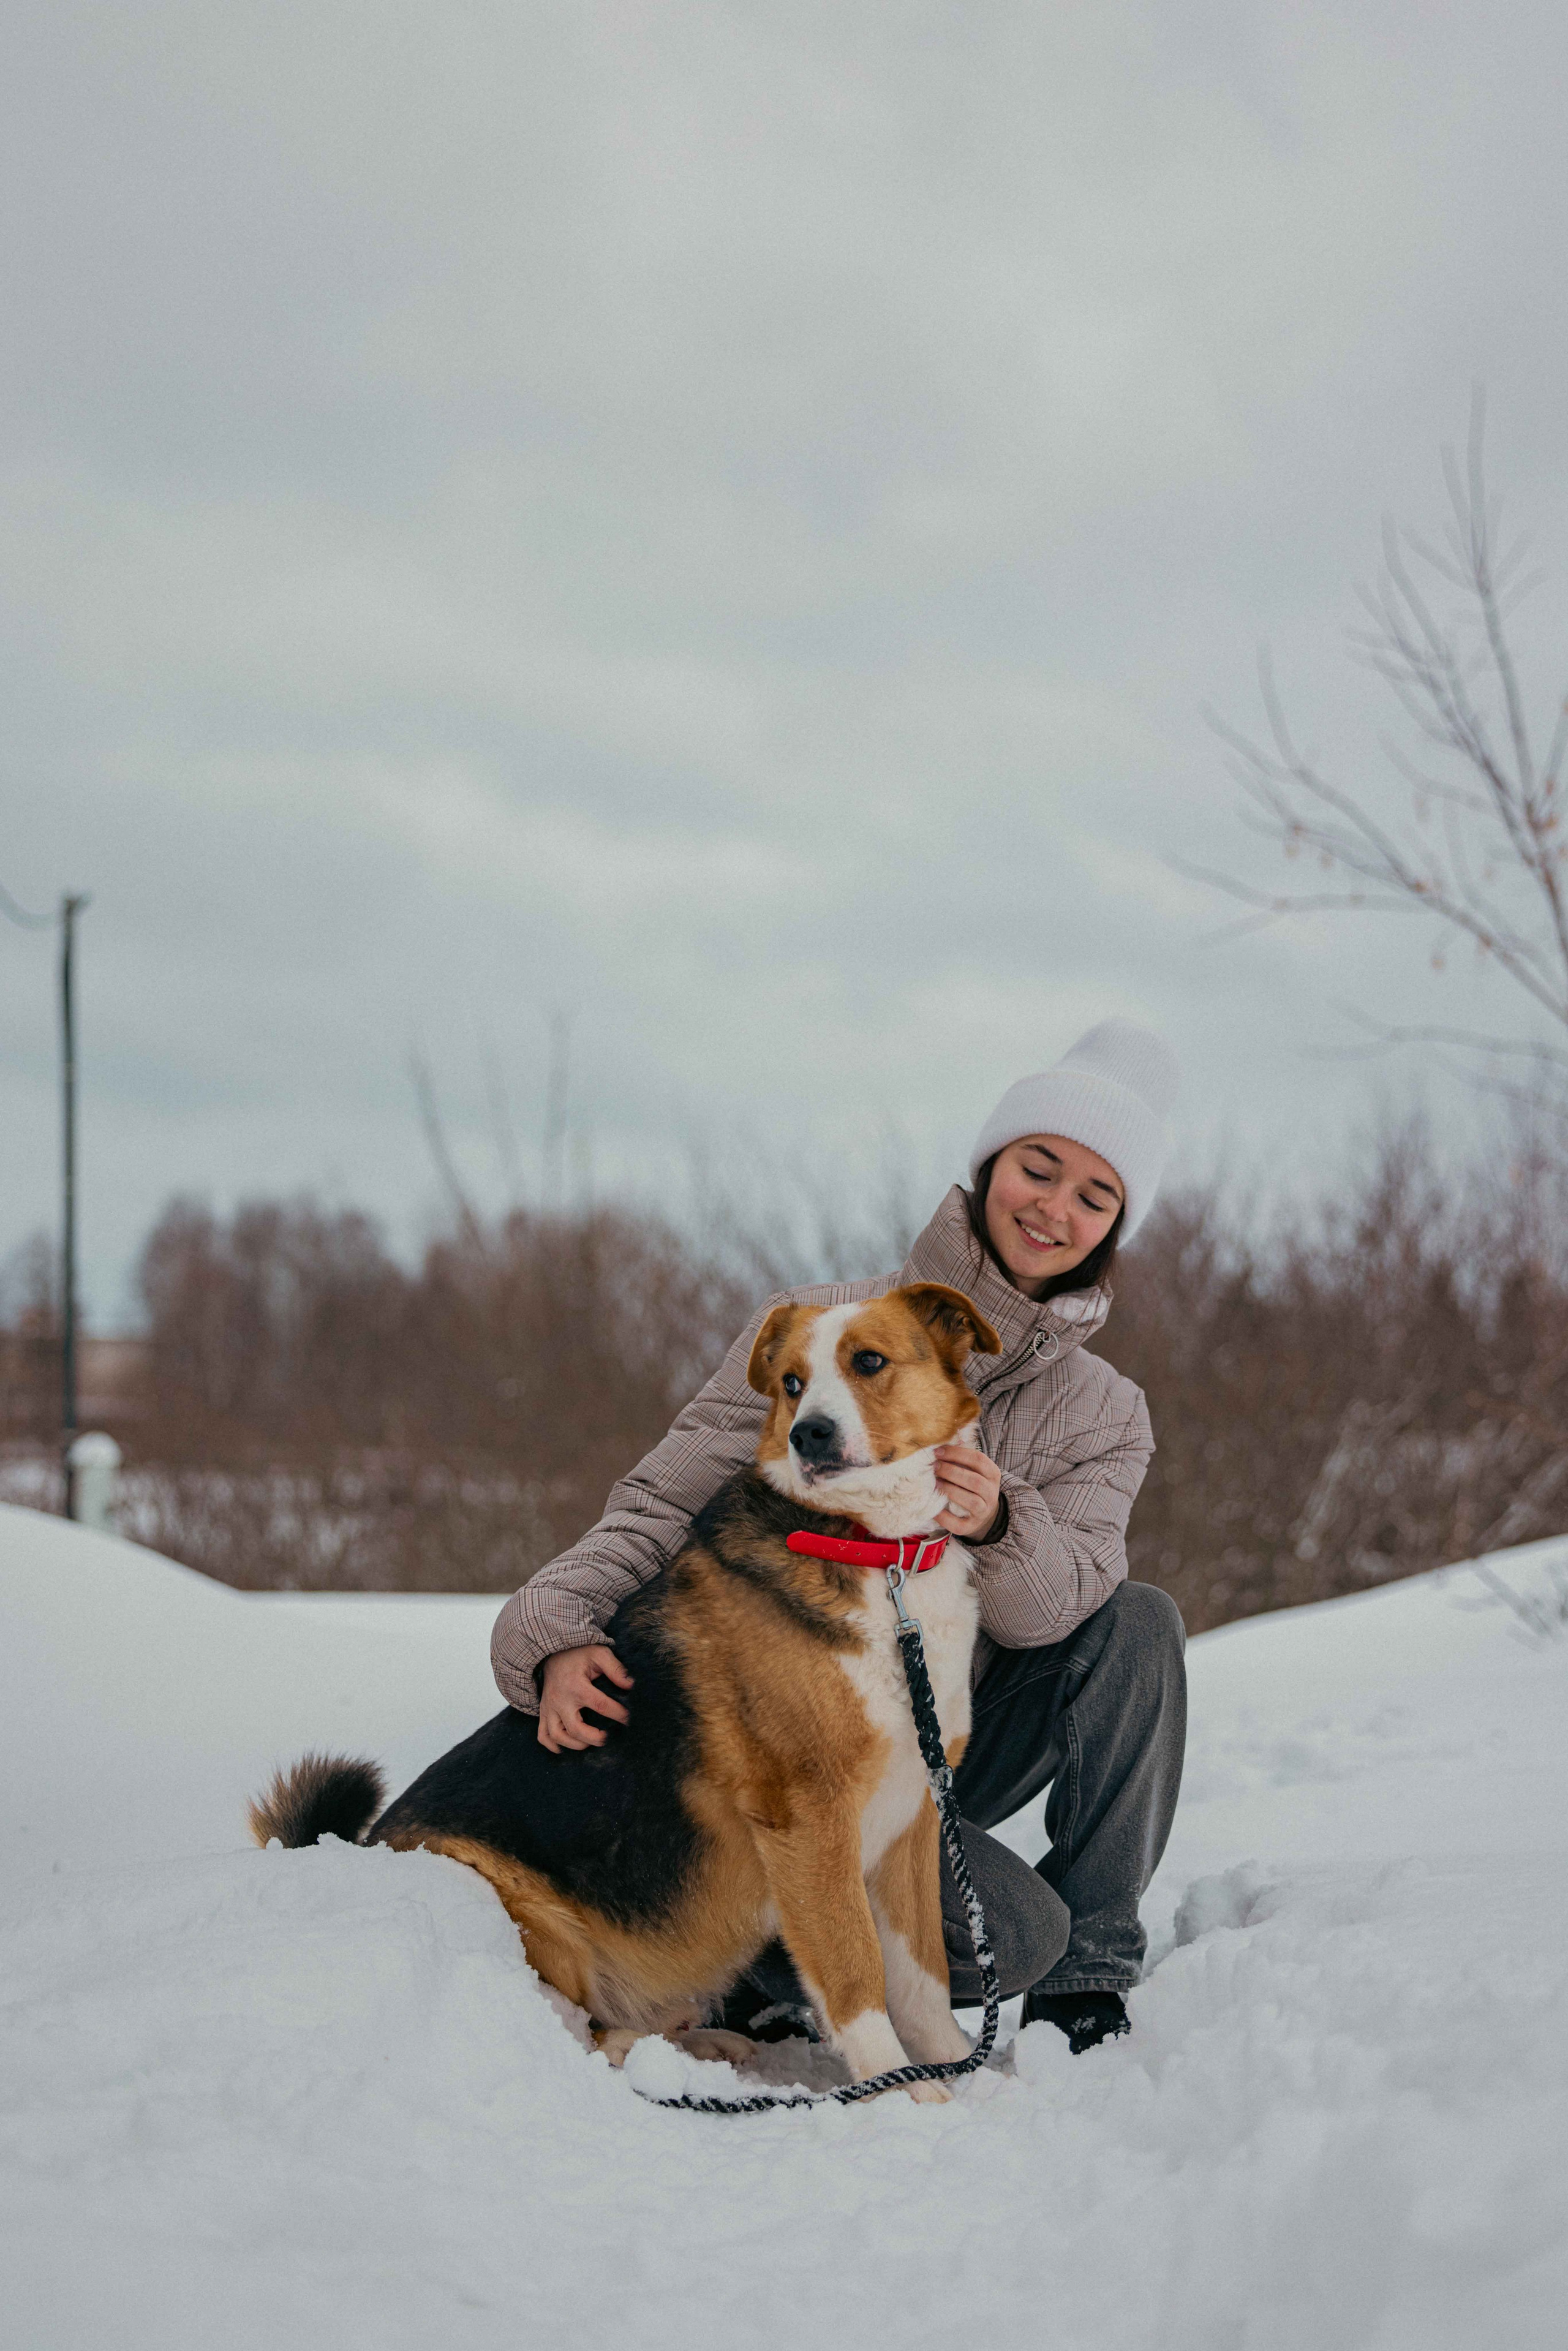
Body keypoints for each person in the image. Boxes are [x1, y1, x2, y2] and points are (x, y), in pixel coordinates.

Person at [491, 1017, 1186, 2056]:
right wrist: (552, 1627)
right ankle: (758, 1954)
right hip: (806, 1735)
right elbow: (661, 1503)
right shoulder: (814, 1327)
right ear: (991, 1166)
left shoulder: (1105, 1412)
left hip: (956, 1740)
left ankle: (1089, 1974)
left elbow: (1055, 1613)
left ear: (1117, 1225)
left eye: (1097, 1195)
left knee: (1138, 1628)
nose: (1056, 1207)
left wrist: (998, 1518)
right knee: (958, 1903)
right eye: (1039, 1167)